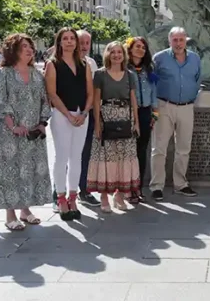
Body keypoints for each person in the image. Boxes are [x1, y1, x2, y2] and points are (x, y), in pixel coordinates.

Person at [0, 34, 51, 231]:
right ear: (13, 50)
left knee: (28, 170)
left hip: (33, 132)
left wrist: (42, 123)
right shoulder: (4, 73)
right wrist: (12, 125)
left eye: (30, 46)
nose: (29, 49)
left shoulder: (36, 73)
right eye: (24, 46)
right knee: (10, 171)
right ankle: (10, 215)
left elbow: (44, 99)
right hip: (9, 133)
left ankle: (25, 210)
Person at [45, 27, 94, 221]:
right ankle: (61, 198)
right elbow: (52, 93)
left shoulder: (85, 64)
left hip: (81, 114)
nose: (69, 42)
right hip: (61, 115)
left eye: (72, 38)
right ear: (59, 42)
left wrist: (84, 113)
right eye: (65, 39)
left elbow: (90, 92)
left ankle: (73, 197)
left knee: (77, 158)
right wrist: (67, 114)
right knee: (62, 157)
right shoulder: (52, 64)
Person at [88, 41, 141, 212]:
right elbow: (96, 100)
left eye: (119, 52)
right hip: (107, 117)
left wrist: (137, 122)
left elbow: (133, 99)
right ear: (108, 55)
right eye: (113, 52)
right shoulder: (100, 74)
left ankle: (119, 195)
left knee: (123, 158)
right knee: (106, 158)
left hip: (126, 118)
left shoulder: (130, 75)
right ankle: (104, 197)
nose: (117, 55)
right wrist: (97, 122)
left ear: (123, 55)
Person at [151, 27, 200, 200]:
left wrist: (193, 97)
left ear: (186, 39)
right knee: (159, 148)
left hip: (187, 107)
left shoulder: (195, 58)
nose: (178, 43)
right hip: (164, 106)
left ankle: (181, 184)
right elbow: (152, 82)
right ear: (169, 40)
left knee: (184, 148)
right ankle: (157, 186)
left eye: (181, 39)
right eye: (175, 40)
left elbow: (197, 79)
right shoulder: (159, 58)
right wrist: (154, 107)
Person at [127, 36, 159, 204]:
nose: (140, 49)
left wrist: (155, 114)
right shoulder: (125, 68)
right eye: (137, 46)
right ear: (130, 48)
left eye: (143, 47)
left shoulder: (148, 69)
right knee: (127, 151)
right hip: (128, 113)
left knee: (141, 150)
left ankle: (138, 187)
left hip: (145, 112)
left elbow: (154, 92)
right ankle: (126, 188)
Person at [75, 30, 101, 207]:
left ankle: (83, 190)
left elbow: (96, 90)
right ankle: (59, 193)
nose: (84, 46)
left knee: (86, 154)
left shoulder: (91, 63)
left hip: (88, 114)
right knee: (66, 155)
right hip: (69, 114)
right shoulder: (59, 63)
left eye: (87, 43)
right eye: (81, 42)